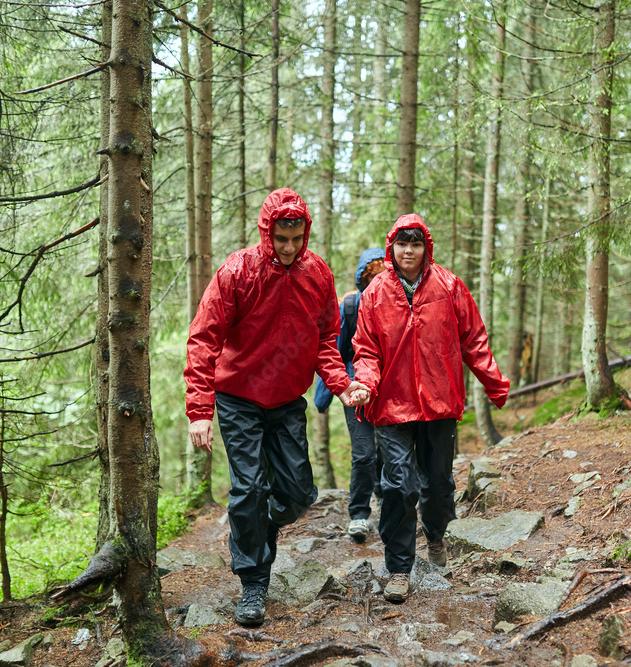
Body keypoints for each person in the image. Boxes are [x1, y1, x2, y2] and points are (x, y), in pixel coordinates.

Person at [184, 188, 368, 627]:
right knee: (248, 488)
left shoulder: (317, 274)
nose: (289, 248)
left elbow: (326, 339)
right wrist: (199, 410)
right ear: (267, 232)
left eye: (296, 238)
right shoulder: (237, 270)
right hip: (238, 399)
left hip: (287, 400)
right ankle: (253, 583)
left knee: (299, 495)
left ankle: (250, 526)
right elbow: (204, 339)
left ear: (305, 234)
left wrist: (341, 384)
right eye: (281, 238)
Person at [352, 214, 509, 603]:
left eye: (416, 244)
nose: (409, 251)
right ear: (392, 247)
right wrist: (366, 386)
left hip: (440, 402)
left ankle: (437, 535)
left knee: (437, 485)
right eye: (402, 244)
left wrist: (494, 383)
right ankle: (399, 568)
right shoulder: (375, 294)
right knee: (399, 486)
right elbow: (366, 349)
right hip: (391, 405)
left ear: (427, 247)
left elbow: (474, 339)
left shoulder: (449, 285)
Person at [313, 248, 387, 543]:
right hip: (356, 389)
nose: (379, 278)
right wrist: (325, 395)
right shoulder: (351, 306)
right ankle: (359, 514)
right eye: (373, 274)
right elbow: (335, 351)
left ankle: (384, 498)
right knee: (364, 453)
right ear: (364, 277)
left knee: (386, 451)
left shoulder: (397, 304)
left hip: (388, 391)